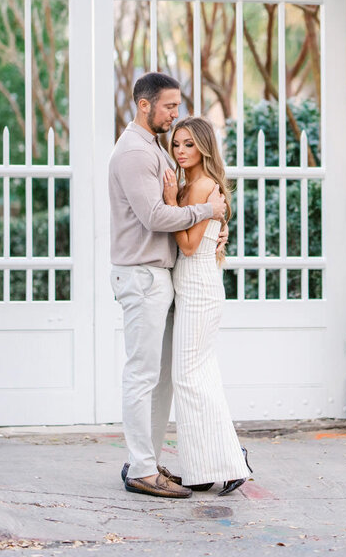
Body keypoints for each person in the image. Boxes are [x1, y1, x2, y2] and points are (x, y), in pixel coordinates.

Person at [108, 72, 226, 499]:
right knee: (142, 376)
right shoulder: (135, 154)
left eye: (177, 106)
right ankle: (141, 468)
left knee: (160, 379)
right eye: (169, 106)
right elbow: (155, 217)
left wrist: (209, 224)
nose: (176, 114)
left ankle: (148, 461)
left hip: (157, 276)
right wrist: (206, 212)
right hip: (141, 276)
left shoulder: (151, 148)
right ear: (145, 105)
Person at [166, 116, 252, 495]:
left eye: (188, 144)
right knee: (198, 377)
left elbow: (187, 245)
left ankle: (231, 461)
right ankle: (204, 468)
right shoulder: (190, 186)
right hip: (188, 286)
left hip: (200, 287)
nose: (181, 151)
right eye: (176, 144)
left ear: (203, 146)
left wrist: (171, 203)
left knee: (188, 378)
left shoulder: (203, 186)